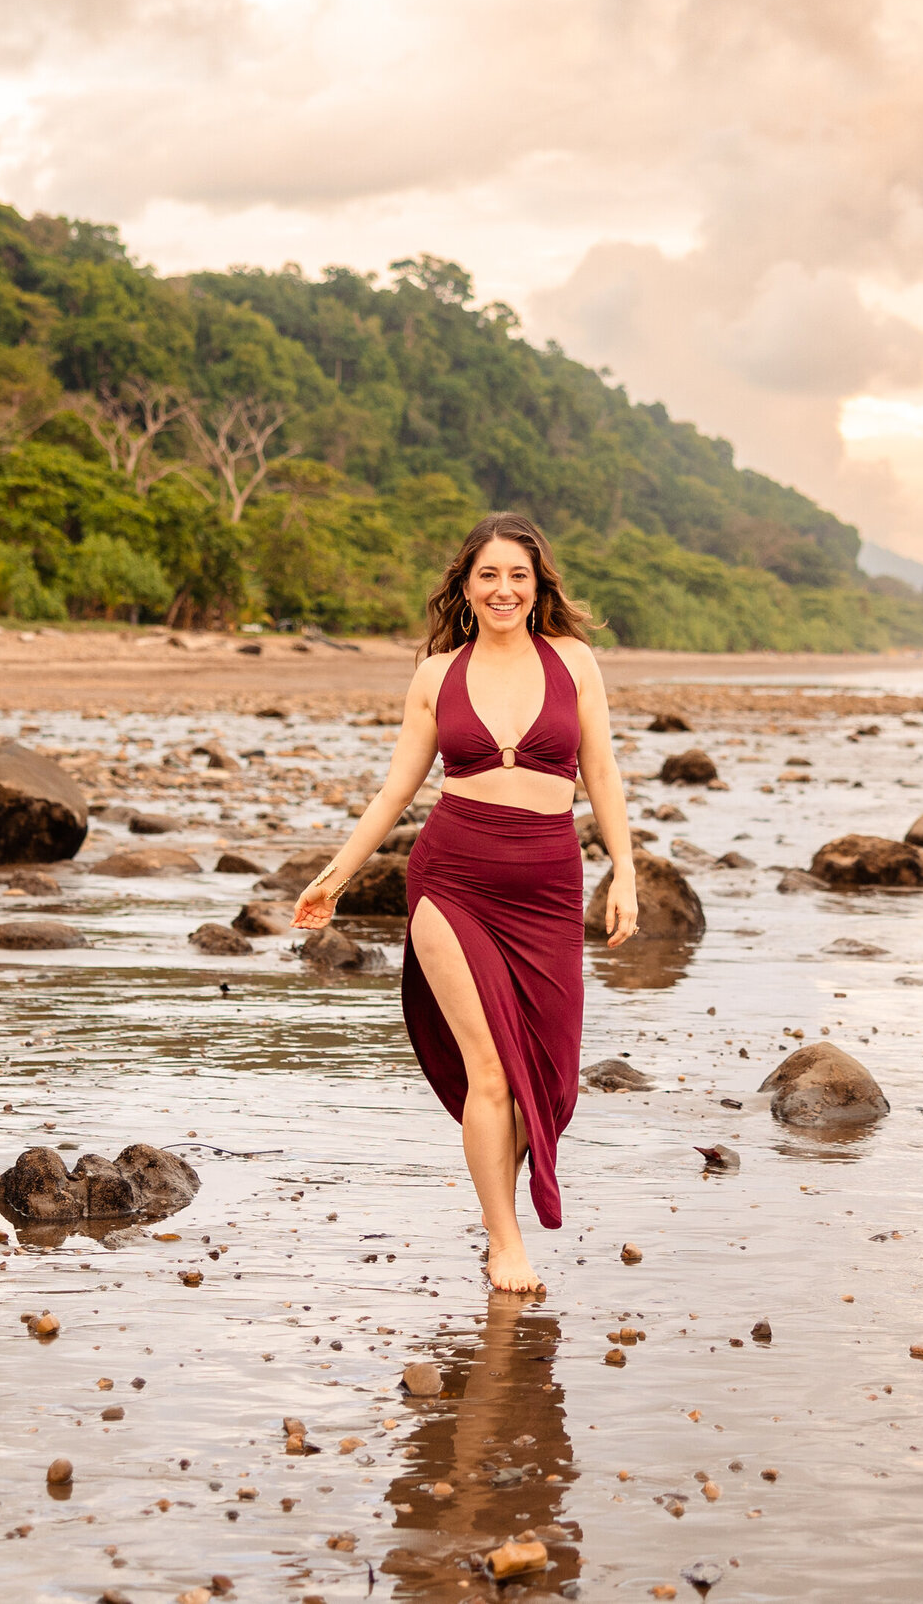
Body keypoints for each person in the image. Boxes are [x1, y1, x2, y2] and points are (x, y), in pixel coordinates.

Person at [295, 513, 638, 1294]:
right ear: (466, 584)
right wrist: (337, 875)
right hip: (453, 879)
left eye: (518, 574)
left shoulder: (575, 662)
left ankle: (498, 1207)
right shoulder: (436, 675)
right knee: (489, 1070)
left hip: (549, 884)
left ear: (537, 582)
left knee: (547, 1082)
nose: (504, 588)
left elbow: (604, 773)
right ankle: (503, 1238)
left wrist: (626, 870)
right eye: (488, 574)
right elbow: (397, 788)